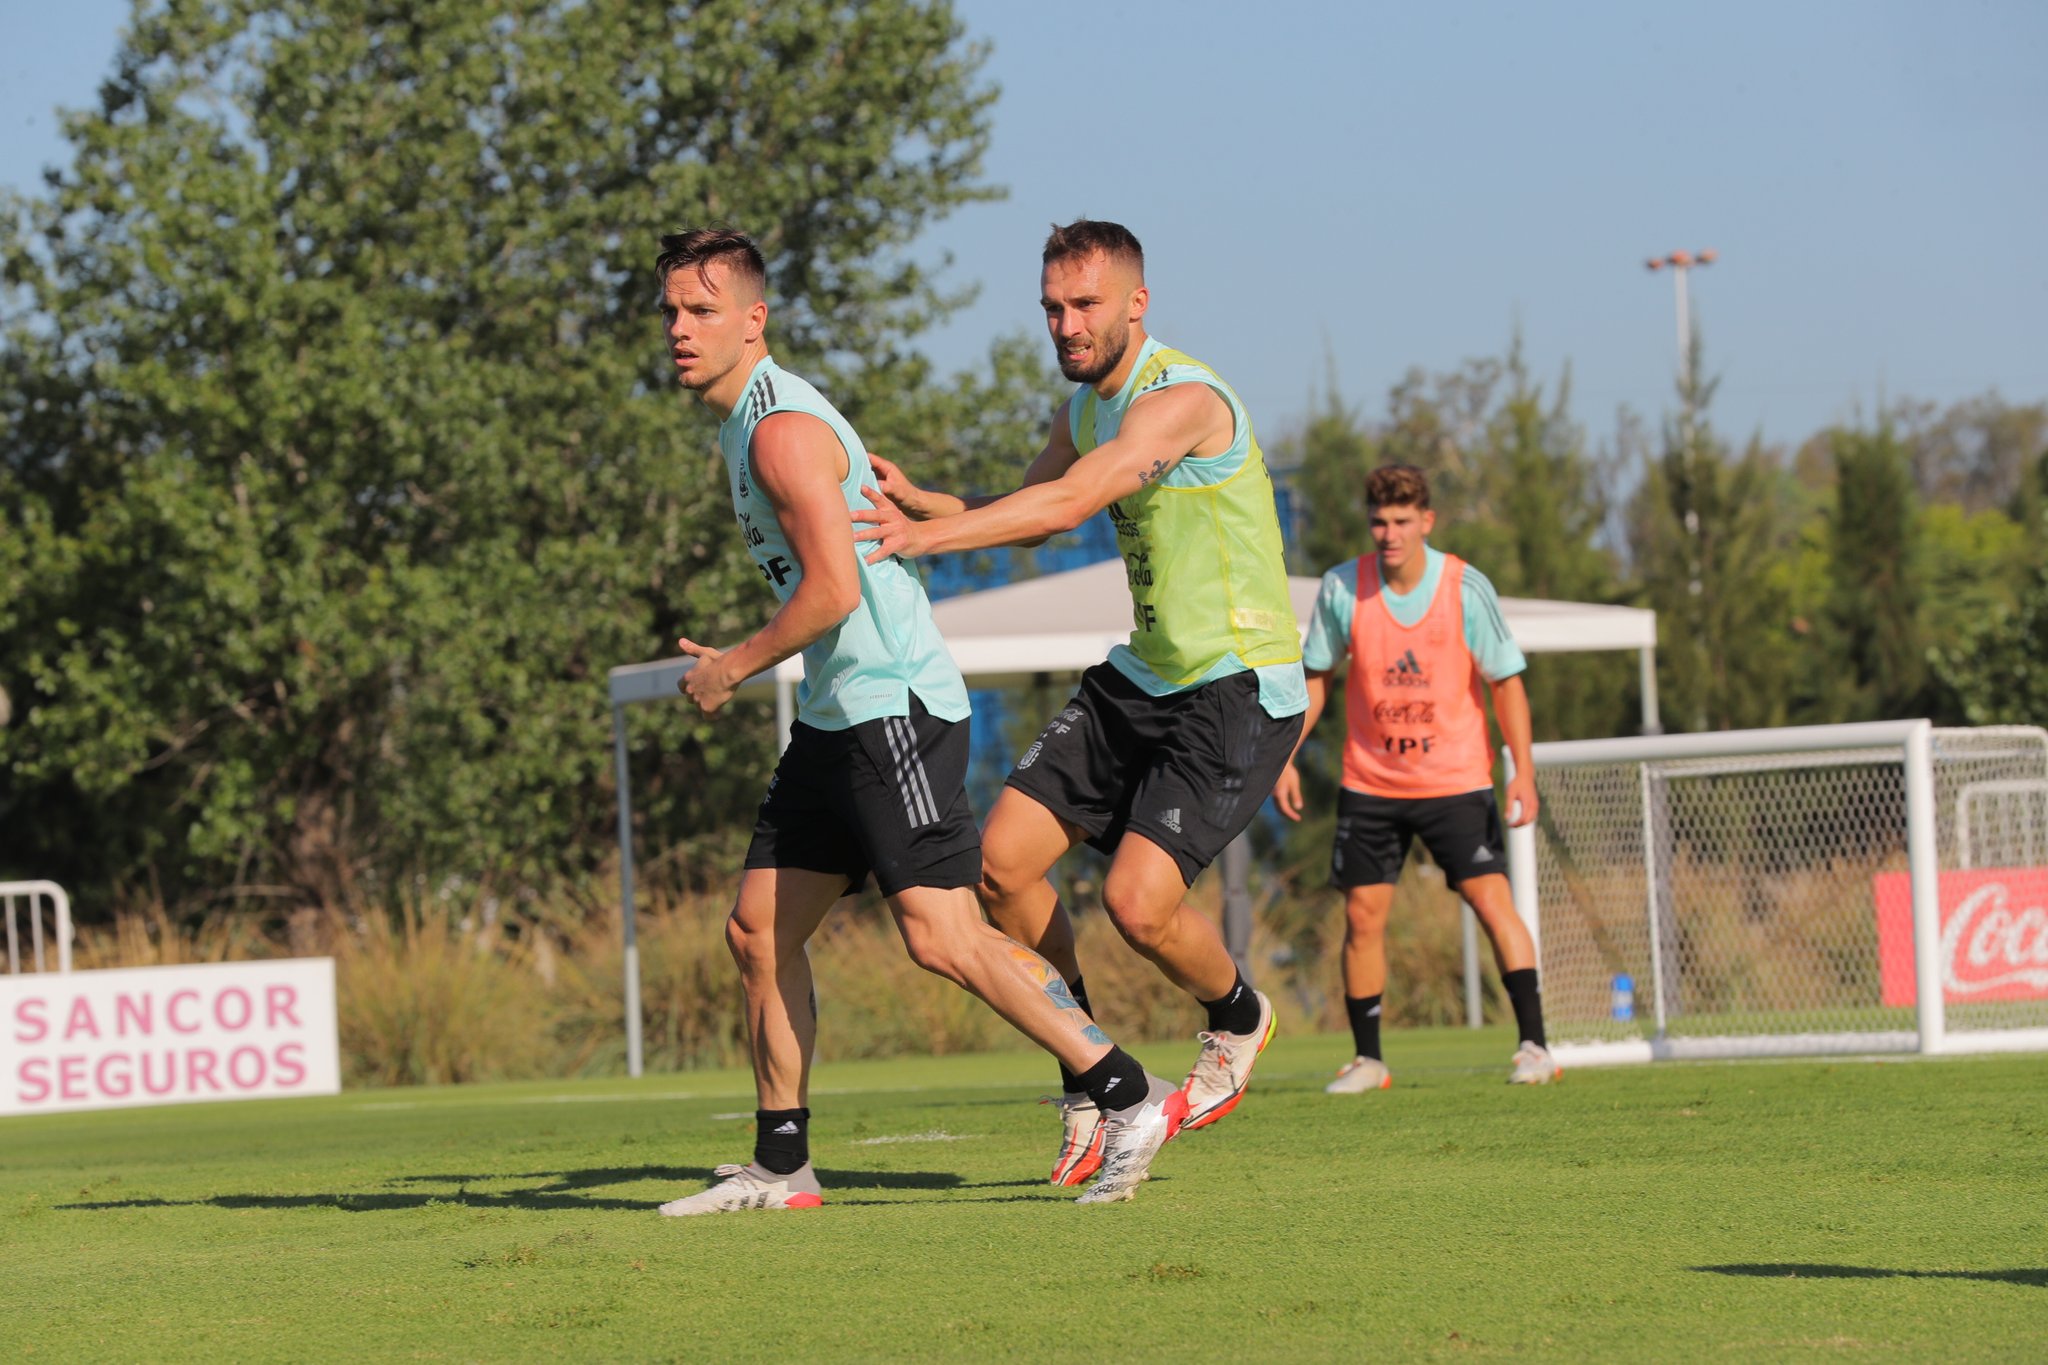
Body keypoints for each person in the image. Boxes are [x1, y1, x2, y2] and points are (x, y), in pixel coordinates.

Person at [651, 227, 1186, 1213]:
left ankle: (1125, 1092)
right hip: (835, 712)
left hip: (889, 702)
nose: (680, 330)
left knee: (940, 935)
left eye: (702, 311)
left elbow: (832, 593)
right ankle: (781, 1164)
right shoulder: (742, 427)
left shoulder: (781, 430)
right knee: (757, 931)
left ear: (752, 322)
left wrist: (730, 665)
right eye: (672, 311)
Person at [853, 219, 1304, 1186]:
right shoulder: (1085, 410)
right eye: (1053, 307)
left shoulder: (1181, 402)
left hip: (1237, 682)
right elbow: (1024, 510)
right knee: (999, 866)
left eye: (1085, 305)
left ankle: (1237, 1017)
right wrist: (923, 503)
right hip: (1143, 674)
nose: (1066, 324)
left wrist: (922, 544)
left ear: (1137, 303)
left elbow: (1068, 508)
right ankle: (1094, 1075)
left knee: (1141, 906)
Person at [1272, 463, 1559, 1090]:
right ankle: (1369, 1060)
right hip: (1371, 784)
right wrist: (1284, 755)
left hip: (1455, 781)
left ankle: (1535, 1047)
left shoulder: (1463, 587)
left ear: (1426, 521)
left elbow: (1505, 682)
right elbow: (1315, 677)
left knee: (1492, 903)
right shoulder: (1343, 588)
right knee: (1363, 918)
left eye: (1402, 520)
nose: (1389, 532)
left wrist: (1522, 771)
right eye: (1379, 520)